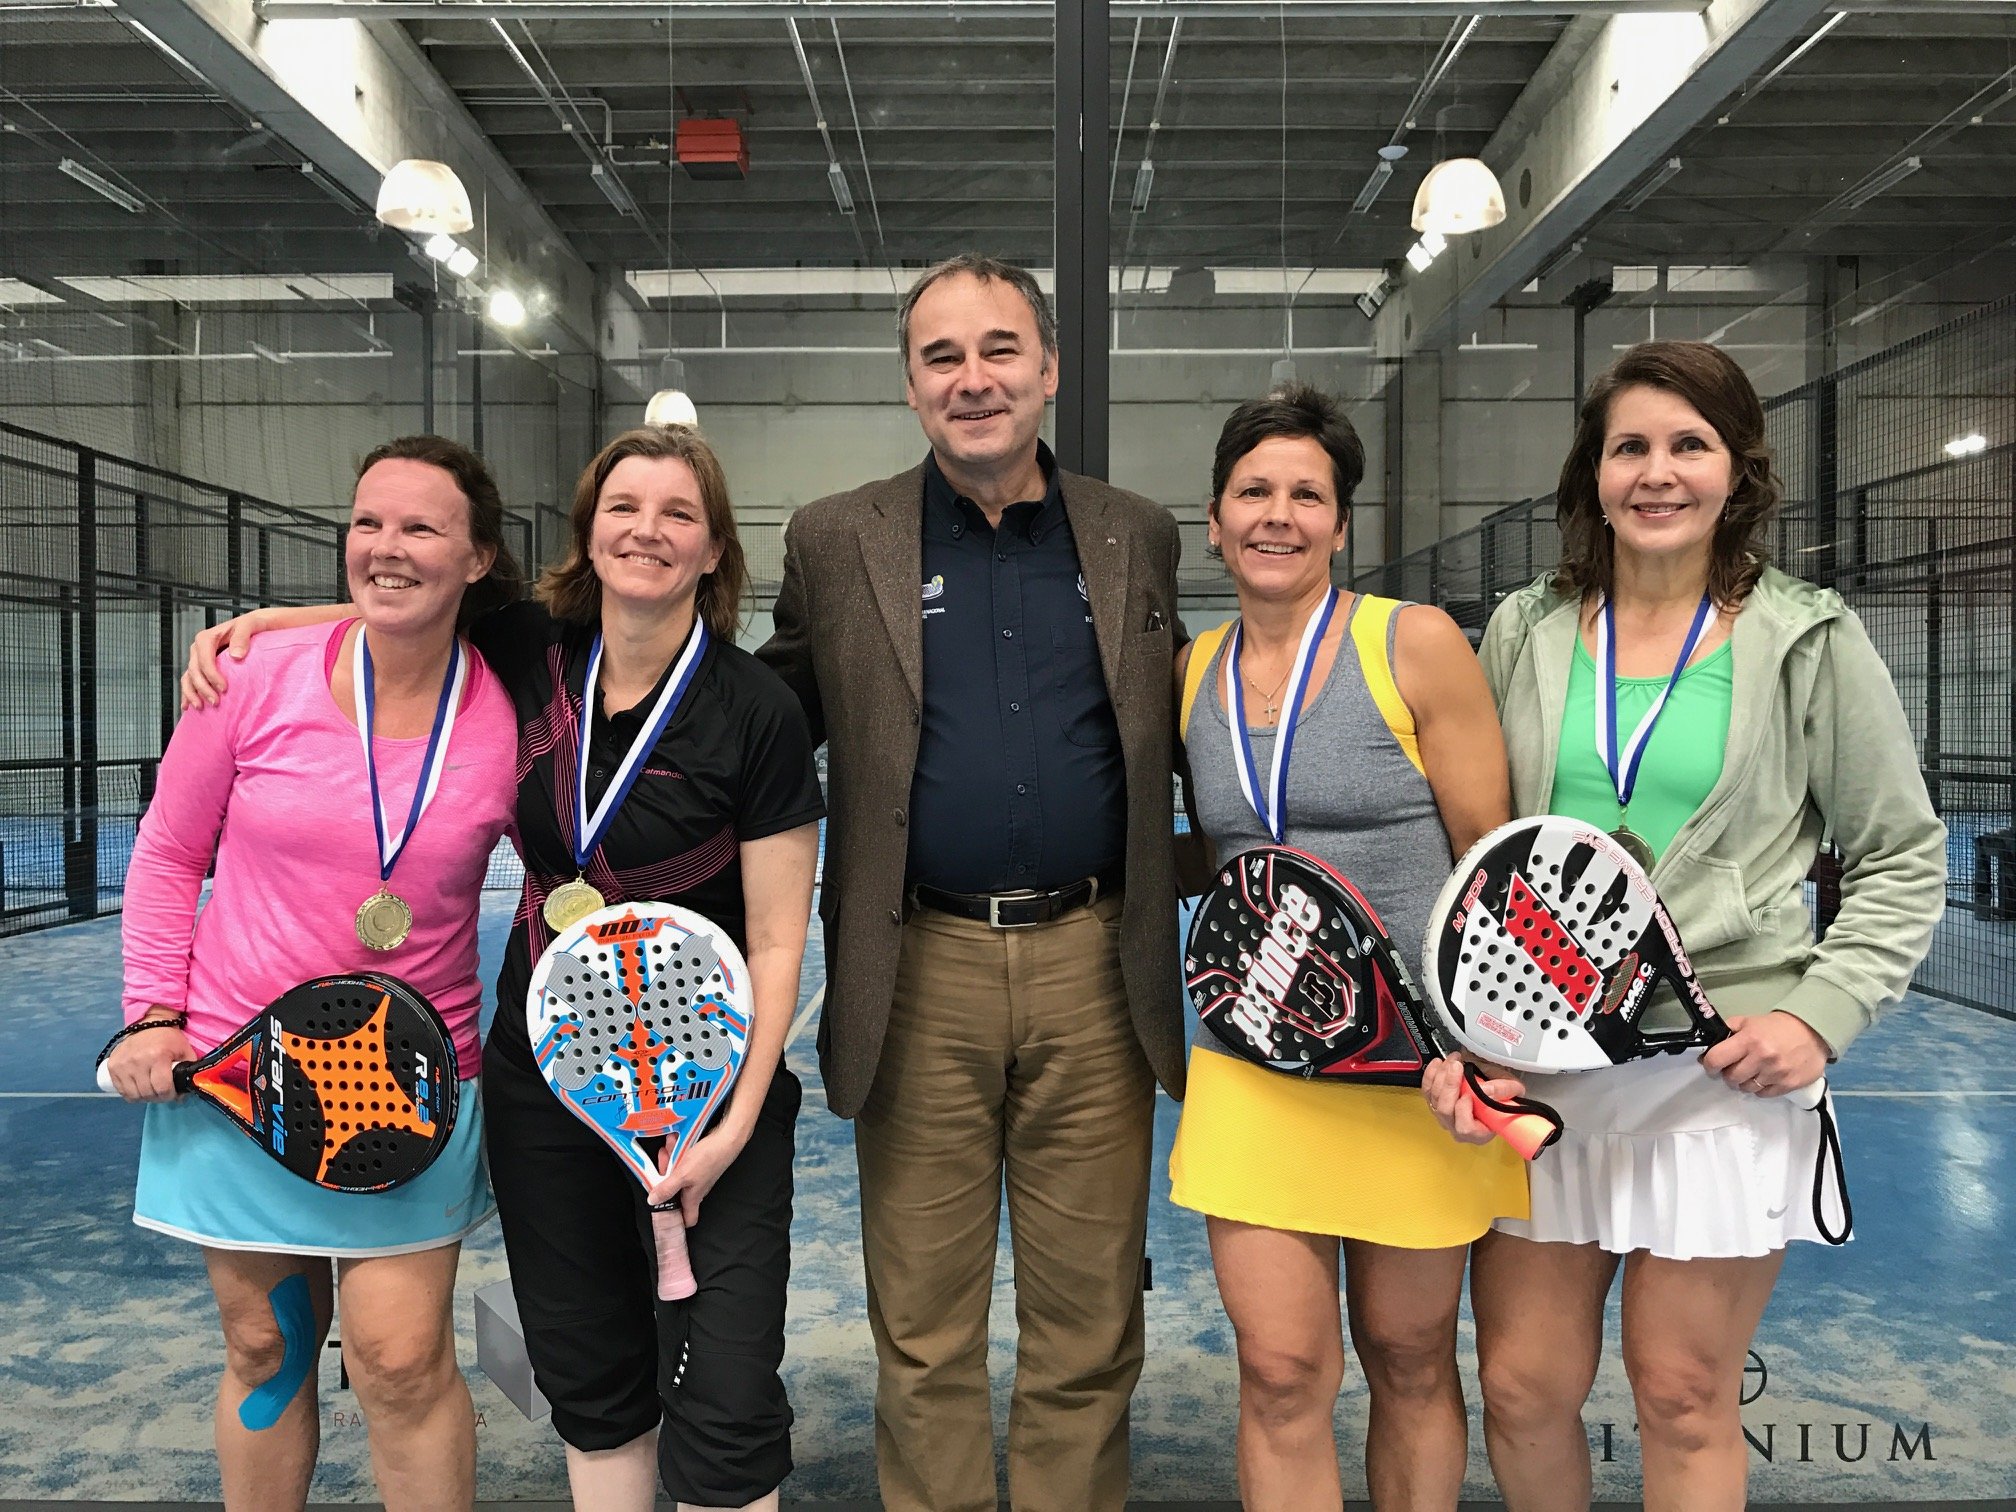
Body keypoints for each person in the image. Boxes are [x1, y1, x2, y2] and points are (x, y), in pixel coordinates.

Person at [183, 427, 824, 1512]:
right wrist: (262, 625)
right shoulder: (535, 648)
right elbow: (403, 599)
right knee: (589, 1374)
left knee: (724, 1390)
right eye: (624, 507)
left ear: (715, 548)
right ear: (589, 532)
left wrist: (734, 1125)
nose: (648, 532)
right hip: (550, 1073)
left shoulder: (758, 709)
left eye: (679, 513)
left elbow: (775, 941)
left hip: (708, 1083)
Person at [1422, 340, 1946, 1511]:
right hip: (1545, 1061)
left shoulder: (1809, 637)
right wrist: (1463, 1031)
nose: (1657, 473)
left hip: (1720, 1070)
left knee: (1681, 1391)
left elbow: (1903, 853)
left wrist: (1820, 1015)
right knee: (1520, 1387)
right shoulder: (1524, 629)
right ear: (1594, 474)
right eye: (1630, 448)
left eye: (1688, 445)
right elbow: (1474, 847)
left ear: (1736, 469)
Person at [757, 253, 1188, 1512]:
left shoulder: (1136, 532)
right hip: (917, 969)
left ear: (1048, 369)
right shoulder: (835, 538)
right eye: (941, 356)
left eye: (1000, 349)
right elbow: (762, 714)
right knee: (923, 1326)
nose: (973, 378)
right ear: (910, 386)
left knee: (1089, 1323)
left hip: (1098, 965)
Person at [108, 435, 524, 1512]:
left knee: (401, 1358)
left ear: (479, 557)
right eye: (367, 523)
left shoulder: (516, 707)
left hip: (411, 1086)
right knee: (265, 1347)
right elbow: (169, 852)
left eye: (421, 527)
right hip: (238, 1076)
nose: (386, 546)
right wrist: (152, 1013)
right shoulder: (250, 676)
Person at [1168, 386, 1528, 1511]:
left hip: (1415, 1070)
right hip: (1254, 1062)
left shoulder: (1412, 643)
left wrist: (1487, 1047)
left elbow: (1491, 865)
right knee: (1281, 1371)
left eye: (1306, 495)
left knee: (1409, 1358)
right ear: (1215, 522)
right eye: (1253, 493)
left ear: (1339, 524)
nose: (1278, 515)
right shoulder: (1192, 671)